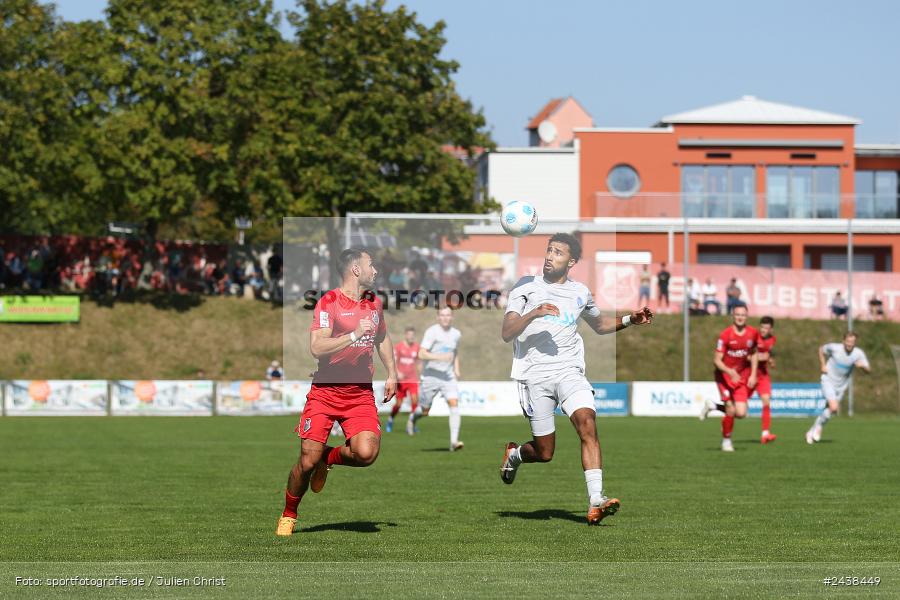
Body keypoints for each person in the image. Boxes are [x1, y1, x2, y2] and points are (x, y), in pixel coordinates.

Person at [498, 233, 653, 525]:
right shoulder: (525, 286)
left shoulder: (580, 292)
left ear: (571, 262)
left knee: (587, 422)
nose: (549, 256)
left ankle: (596, 500)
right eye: (548, 250)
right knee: (544, 453)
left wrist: (631, 320)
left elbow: (600, 324)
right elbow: (507, 333)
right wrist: (534, 312)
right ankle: (515, 454)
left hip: (570, 371)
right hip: (534, 376)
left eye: (557, 253)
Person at [275, 248, 397, 537]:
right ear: (356, 269)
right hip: (325, 393)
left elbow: (383, 338)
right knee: (306, 462)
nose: (375, 271)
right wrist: (354, 334)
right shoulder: (329, 302)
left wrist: (392, 372)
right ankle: (289, 513)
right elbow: (317, 347)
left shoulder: (374, 304)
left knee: (366, 454)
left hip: (359, 395)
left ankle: (328, 459)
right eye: (371, 265)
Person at [409, 306, 464, 451]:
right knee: (425, 411)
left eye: (448, 315)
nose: (445, 318)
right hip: (430, 376)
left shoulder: (456, 334)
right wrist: (440, 357)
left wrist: (456, 368)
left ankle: (454, 441)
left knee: (454, 404)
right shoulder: (432, 332)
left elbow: (454, 351)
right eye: (442, 315)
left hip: (448, 377)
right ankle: (413, 418)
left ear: (452, 317)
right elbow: (421, 354)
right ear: (438, 317)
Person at [708, 305, 758, 452]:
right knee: (730, 408)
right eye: (737, 314)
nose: (740, 317)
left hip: (741, 377)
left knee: (741, 413)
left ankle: (714, 406)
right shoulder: (725, 335)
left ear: (747, 316)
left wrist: (753, 374)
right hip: (724, 376)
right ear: (733, 316)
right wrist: (730, 372)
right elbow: (716, 360)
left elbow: (754, 353)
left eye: (743, 315)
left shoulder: (752, 333)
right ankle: (726, 441)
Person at [806, 332, 870, 445]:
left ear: (855, 343)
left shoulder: (858, 354)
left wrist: (863, 367)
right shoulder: (835, 348)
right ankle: (818, 427)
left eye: (852, 342)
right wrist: (822, 364)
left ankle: (811, 431)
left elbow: (868, 370)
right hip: (828, 380)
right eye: (848, 341)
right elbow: (821, 349)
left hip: (841, 386)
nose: (850, 344)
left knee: (831, 410)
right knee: (834, 407)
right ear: (843, 341)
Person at [387, 326, 420, 433]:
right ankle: (391, 419)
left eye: (412, 335)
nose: (411, 337)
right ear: (406, 335)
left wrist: (421, 372)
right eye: (409, 335)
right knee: (399, 404)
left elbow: (419, 362)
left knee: (415, 401)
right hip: (401, 380)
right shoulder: (399, 347)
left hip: (412, 379)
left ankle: (411, 424)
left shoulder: (416, 347)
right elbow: (393, 361)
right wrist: (398, 372)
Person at [753, 316, 777, 444]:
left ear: (771, 329)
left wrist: (771, 360)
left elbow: (769, 354)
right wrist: (763, 357)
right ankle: (715, 406)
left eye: (766, 328)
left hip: (762, 375)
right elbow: (749, 356)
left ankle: (765, 434)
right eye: (762, 327)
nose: (763, 330)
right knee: (738, 410)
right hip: (749, 374)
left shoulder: (772, 339)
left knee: (766, 401)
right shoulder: (753, 337)